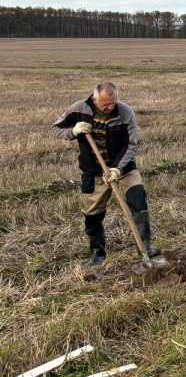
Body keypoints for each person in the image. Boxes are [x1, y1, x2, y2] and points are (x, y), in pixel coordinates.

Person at [53, 82, 161, 267]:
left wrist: (117, 168)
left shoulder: (126, 112)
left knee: (138, 199)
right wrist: (74, 131)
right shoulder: (79, 109)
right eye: (106, 104)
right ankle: (97, 252)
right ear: (95, 99)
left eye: (113, 102)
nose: (111, 107)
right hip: (93, 170)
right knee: (92, 212)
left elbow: (130, 144)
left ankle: (145, 247)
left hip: (123, 168)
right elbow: (55, 129)